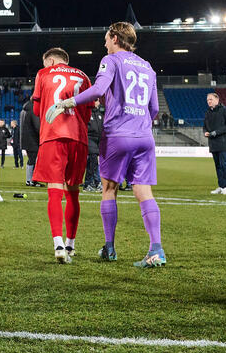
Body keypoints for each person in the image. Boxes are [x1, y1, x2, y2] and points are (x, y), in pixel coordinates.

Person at [47, 22, 164, 267]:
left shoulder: (110, 60)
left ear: (115, 38)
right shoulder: (148, 66)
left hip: (117, 135)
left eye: (106, 39)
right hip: (144, 136)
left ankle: (109, 248)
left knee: (109, 189)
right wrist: (139, 123)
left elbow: (98, 89)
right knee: (144, 192)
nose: (105, 43)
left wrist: (66, 103)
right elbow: (154, 108)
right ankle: (156, 250)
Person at [30, 48, 93, 263]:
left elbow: (37, 110)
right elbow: (88, 112)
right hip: (78, 137)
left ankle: (58, 244)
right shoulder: (83, 76)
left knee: (54, 191)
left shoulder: (43, 73)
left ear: (51, 60)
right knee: (73, 193)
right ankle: (70, 245)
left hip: (53, 135)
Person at [203, 92, 226, 194]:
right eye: (207, 100)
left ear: (217, 100)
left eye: (210, 99)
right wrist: (205, 132)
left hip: (224, 143)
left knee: (224, 164)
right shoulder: (208, 112)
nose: (209, 101)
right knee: (218, 166)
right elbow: (205, 126)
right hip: (213, 143)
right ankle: (221, 186)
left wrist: (216, 132)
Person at [20, 106, 41, 186]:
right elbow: (37, 126)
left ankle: (29, 180)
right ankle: (31, 180)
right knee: (33, 159)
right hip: (33, 140)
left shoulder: (25, 110)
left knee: (31, 159)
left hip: (27, 139)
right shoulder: (33, 110)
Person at [83, 107, 102, 191]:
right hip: (89, 138)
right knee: (92, 160)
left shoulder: (99, 114)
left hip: (98, 140)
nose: (96, 102)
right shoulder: (87, 113)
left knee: (94, 163)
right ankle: (88, 183)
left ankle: (94, 183)